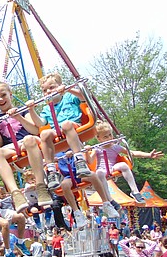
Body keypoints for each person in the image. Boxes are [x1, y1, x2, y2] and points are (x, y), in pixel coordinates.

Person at [26, 73, 119, 222]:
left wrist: (68, 90)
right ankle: (74, 209)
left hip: (73, 128)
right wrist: (31, 110)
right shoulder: (47, 108)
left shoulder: (70, 98)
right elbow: (40, 123)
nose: (49, 92)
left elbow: (85, 96)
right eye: (45, 90)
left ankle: (106, 202)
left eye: (52, 87)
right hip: (64, 156)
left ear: (59, 86)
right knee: (44, 135)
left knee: (66, 125)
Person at [0, 81, 52, 211]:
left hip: (26, 143)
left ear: (10, 95)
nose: (0, 99)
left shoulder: (23, 111)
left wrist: (18, 117)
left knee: (29, 139)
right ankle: (15, 193)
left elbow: (35, 130)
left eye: (3, 95)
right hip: (10, 148)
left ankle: (40, 186)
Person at [85, 121, 163, 204]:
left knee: (123, 165)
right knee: (99, 172)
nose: (109, 138)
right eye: (105, 137)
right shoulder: (97, 149)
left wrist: (149, 155)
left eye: (110, 135)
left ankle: (135, 191)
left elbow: (132, 153)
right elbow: (90, 161)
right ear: (99, 138)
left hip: (112, 168)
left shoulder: (116, 147)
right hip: (102, 170)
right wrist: (86, 151)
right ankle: (109, 198)